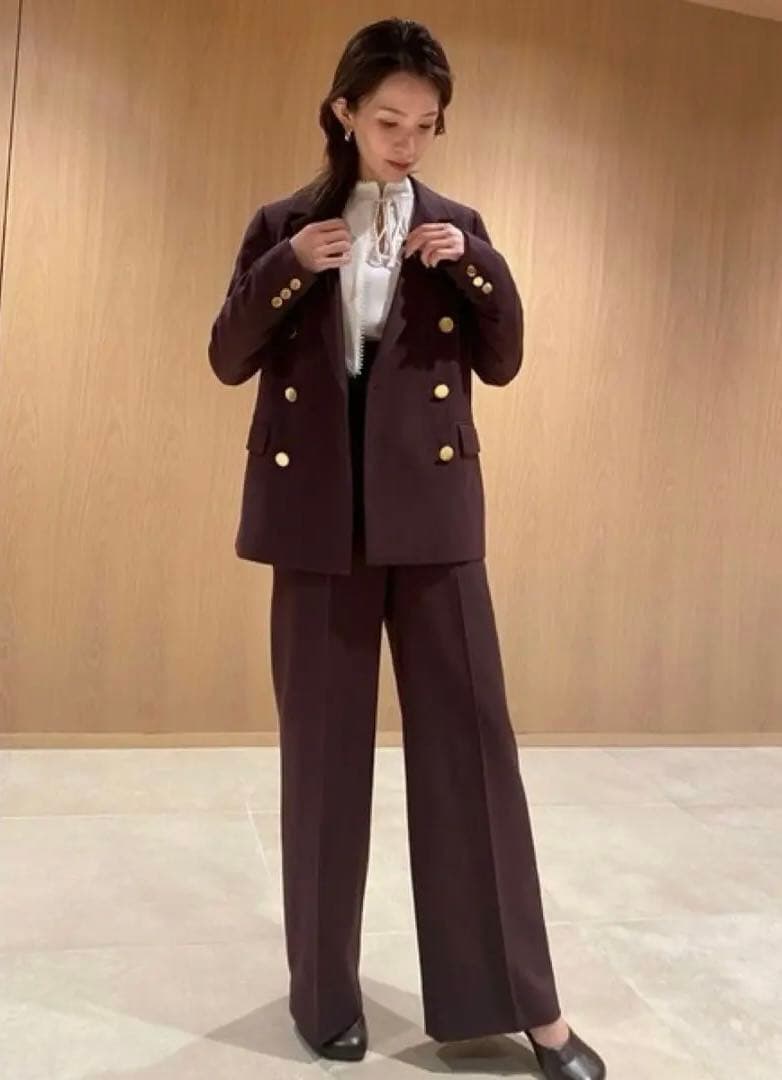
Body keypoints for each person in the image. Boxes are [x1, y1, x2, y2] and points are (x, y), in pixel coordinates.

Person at [208, 17, 606, 1080]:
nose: (406, 142)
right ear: (344, 111)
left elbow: (503, 359)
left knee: (474, 751)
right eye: (389, 121)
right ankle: (322, 999)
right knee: (322, 765)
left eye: (426, 125)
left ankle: (526, 1009)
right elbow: (227, 355)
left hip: (432, 520)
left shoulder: (454, 227)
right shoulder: (283, 223)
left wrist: (476, 267)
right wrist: (290, 266)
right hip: (316, 523)